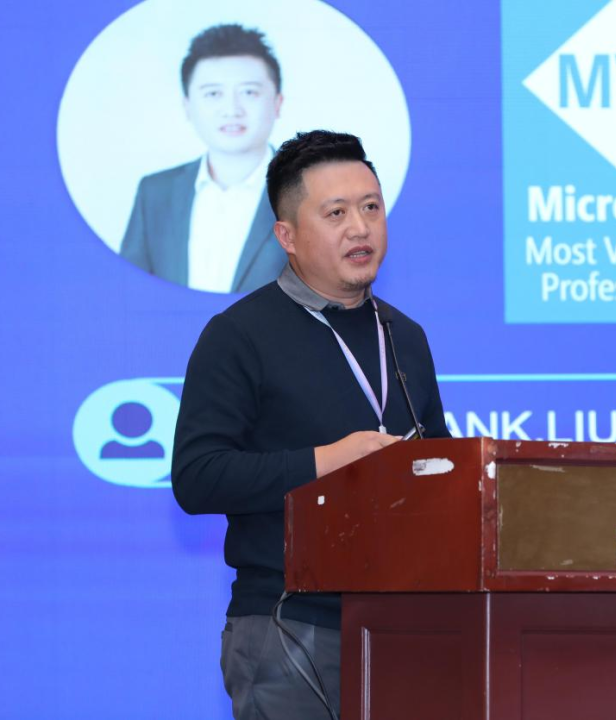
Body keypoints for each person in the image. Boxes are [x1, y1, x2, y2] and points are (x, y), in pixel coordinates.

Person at [171, 130, 450, 719]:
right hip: (289, 627)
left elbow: (441, 466)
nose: (361, 227)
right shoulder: (239, 336)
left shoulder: (405, 336)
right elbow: (197, 478)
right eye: (336, 213)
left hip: (404, 627)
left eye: (371, 207)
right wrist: (329, 461)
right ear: (288, 236)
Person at [121, 24, 287, 293]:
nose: (231, 110)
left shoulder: (311, 191)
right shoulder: (155, 192)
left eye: (249, 92)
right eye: (213, 94)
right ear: (187, 106)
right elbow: (129, 291)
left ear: (277, 102)